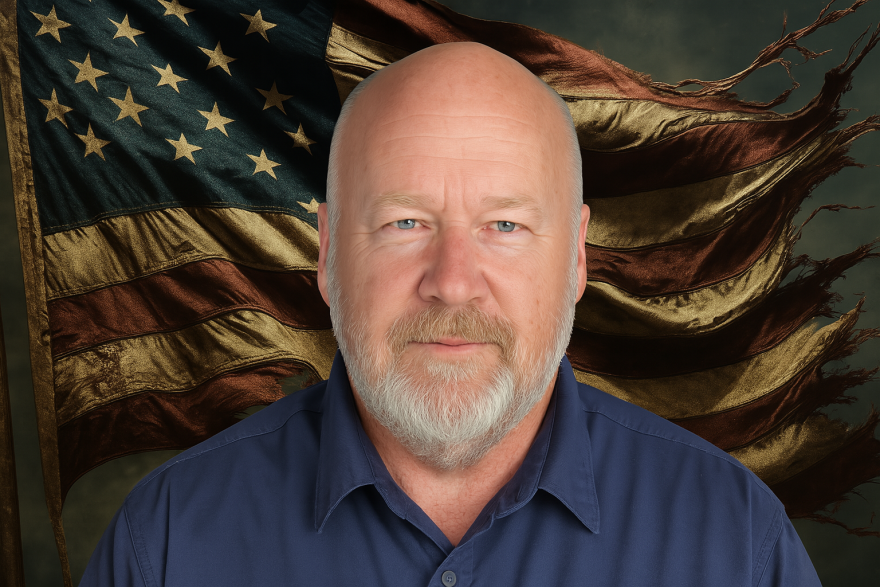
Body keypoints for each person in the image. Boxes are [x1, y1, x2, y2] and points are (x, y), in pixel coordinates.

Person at [81, 42, 820, 586]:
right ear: (329, 255)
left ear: (577, 261)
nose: (453, 283)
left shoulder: (733, 539)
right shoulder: (168, 541)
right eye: (405, 223)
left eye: (505, 226)